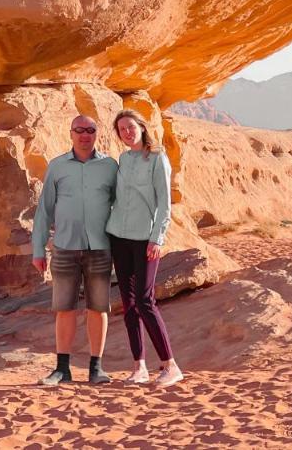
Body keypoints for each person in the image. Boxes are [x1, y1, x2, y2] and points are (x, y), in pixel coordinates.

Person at [31, 113, 119, 385]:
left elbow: (122, 207)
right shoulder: (57, 167)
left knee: (98, 308)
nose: (85, 135)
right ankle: (62, 369)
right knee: (64, 308)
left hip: (100, 247)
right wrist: (38, 249)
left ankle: (96, 368)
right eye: (79, 130)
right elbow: (45, 210)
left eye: (90, 130)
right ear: (70, 133)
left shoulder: (110, 167)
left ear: (97, 134)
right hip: (65, 247)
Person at [105, 110, 183, 387]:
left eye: (130, 126)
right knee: (128, 304)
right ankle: (139, 366)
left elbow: (164, 203)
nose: (127, 132)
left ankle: (170, 365)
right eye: (121, 129)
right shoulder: (123, 159)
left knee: (144, 300)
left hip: (144, 238)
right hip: (118, 236)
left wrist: (157, 238)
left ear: (141, 127)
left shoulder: (157, 158)